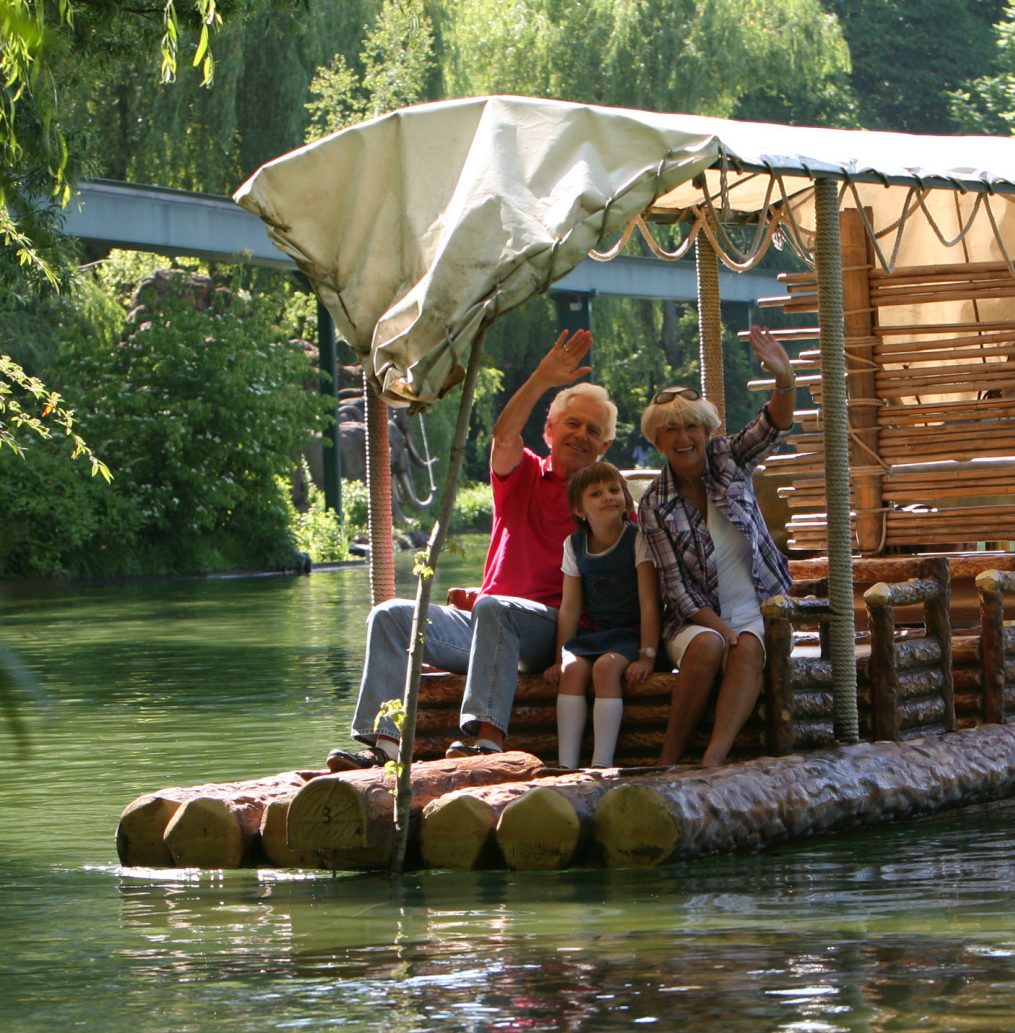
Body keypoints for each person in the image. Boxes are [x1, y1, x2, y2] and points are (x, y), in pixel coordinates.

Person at [334, 331, 615, 767]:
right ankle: (383, 749)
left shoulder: (608, 502)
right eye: (572, 424)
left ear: (605, 446)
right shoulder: (522, 474)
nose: (580, 435)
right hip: (487, 625)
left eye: (593, 431)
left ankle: (486, 742)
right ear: (550, 430)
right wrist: (542, 378)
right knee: (389, 616)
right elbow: (504, 437)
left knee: (495, 608)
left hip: (547, 634)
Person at [638, 325, 800, 767]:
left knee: (747, 646)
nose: (682, 436)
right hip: (696, 617)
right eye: (670, 429)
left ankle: (712, 765)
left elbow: (773, 426)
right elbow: (677, 588)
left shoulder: (729, 457)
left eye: (691, 426)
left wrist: (784, 379)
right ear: (657, 441)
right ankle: (668, 762)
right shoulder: (653, 502)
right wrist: (720, 628)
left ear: (708, 431)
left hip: (758, 605)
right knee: (711, 644)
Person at [544, 460, 660, 768]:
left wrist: (647, 656)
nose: (608, 496)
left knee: (605, 669)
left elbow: (650, 603)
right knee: (573, 670)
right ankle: (566, 765)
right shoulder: (575, 544)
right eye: (595, 494)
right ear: (579, 509)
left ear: (625, 497)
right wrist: (560, 657)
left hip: (629, 635)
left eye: (614, 490)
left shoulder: (637, 539)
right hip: (592, 634)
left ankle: (601, 764)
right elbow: (569, 608)